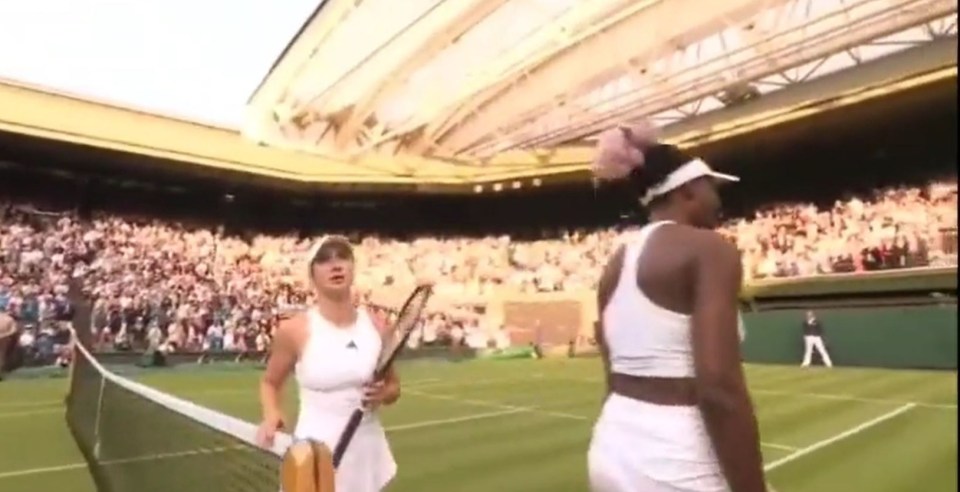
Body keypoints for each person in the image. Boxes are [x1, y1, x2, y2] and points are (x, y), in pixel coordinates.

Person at [587, 124, 769, 492]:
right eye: (711, 187)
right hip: (677, 458)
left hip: (612, 444)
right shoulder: (709, 248)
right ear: (687, 191)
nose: (718, 199)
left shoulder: (616, 261)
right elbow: (718, 387)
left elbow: (611, 369)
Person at [256, 236, 399, 492]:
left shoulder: (378, 326)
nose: (335, 265)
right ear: (312, 276)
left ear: (353, 269)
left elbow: (394, 387)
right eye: (324, 259)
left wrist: (383, 394)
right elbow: (269, 382)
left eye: (342, 257)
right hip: (313, 454)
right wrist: (271, 413)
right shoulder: (294, 330)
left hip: (367, 452)